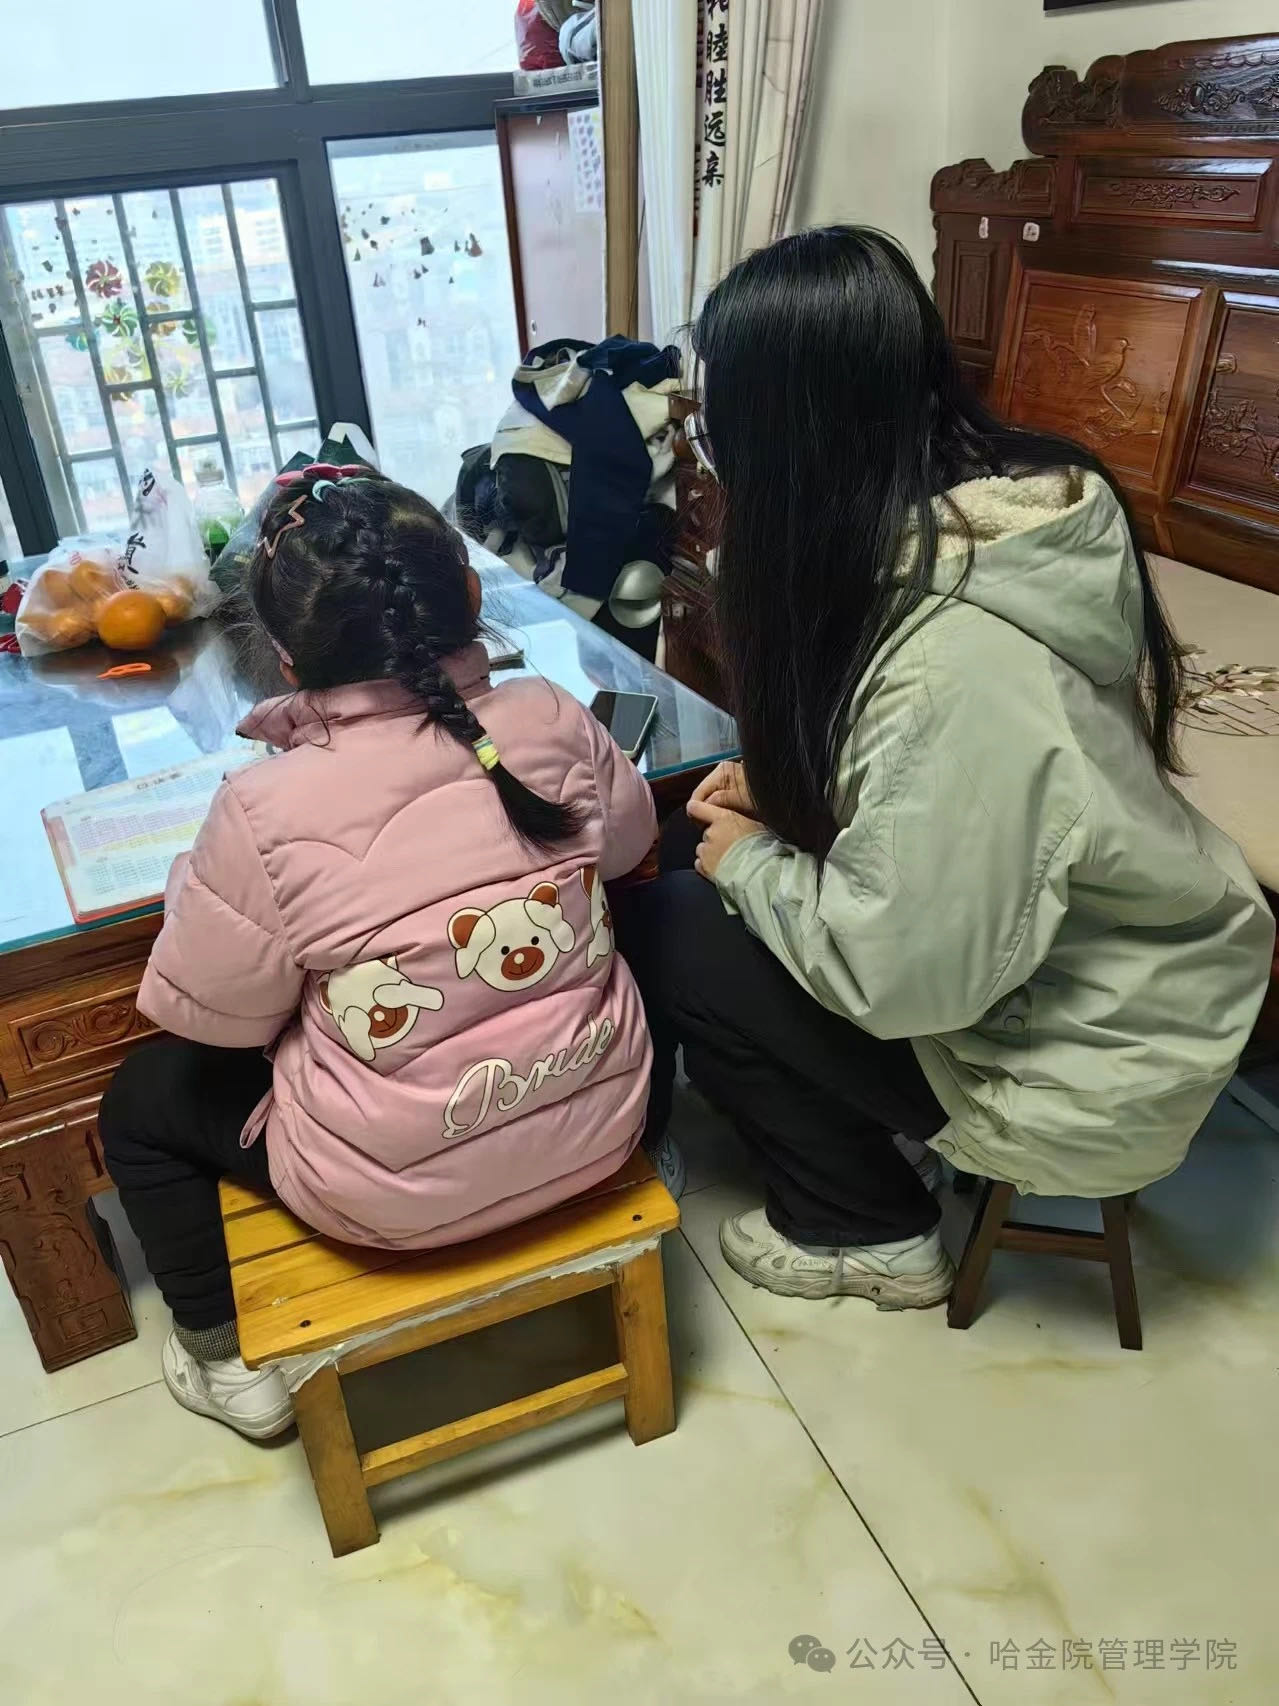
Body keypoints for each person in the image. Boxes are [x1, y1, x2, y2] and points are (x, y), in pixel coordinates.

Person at [627, 226, 1274, 1308]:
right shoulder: (991, 524)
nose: (707, 445)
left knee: (683, 921)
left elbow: (906, 976)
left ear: (786, 432)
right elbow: (941, 800)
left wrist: (751, 860)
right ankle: (874, 1143)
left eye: (717, 417)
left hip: (1079, 1065)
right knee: (708, 858)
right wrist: (794, 799)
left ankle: (866, 1228)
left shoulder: (954, 667)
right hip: (1102, 978)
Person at [99, 465, 659, 1438]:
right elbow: (626, 846)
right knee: (643, 926)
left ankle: (224, 1357)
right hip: (597, 1130)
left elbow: (216, 1019)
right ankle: (662, 1150)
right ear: (469, 594)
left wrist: (200, 877)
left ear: (283, 659)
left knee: (143, 1100)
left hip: (387, 1201)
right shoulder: (549, 715)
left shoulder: (262, 808)